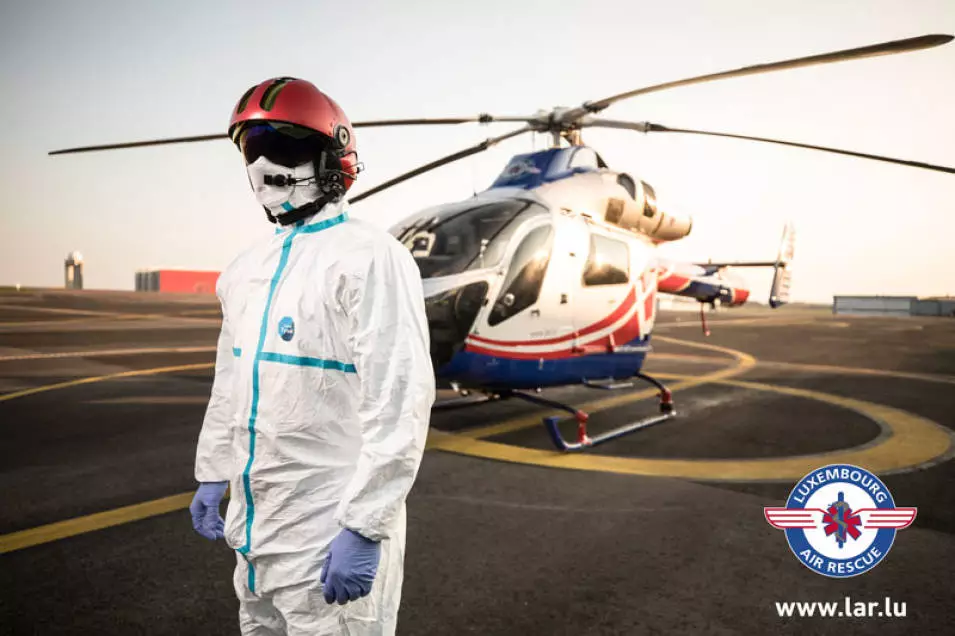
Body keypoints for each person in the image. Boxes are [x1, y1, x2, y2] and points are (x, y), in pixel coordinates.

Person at [189, 77, 435, 635]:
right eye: (252, 149)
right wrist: (213, 471)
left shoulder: (371, 258)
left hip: (327, 534)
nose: (263, 164)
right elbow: (229, 384)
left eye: (284, 146)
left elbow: (399, 399)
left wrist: (365, 525)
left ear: (332, 159)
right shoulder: (245, 270)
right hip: (255, 534)